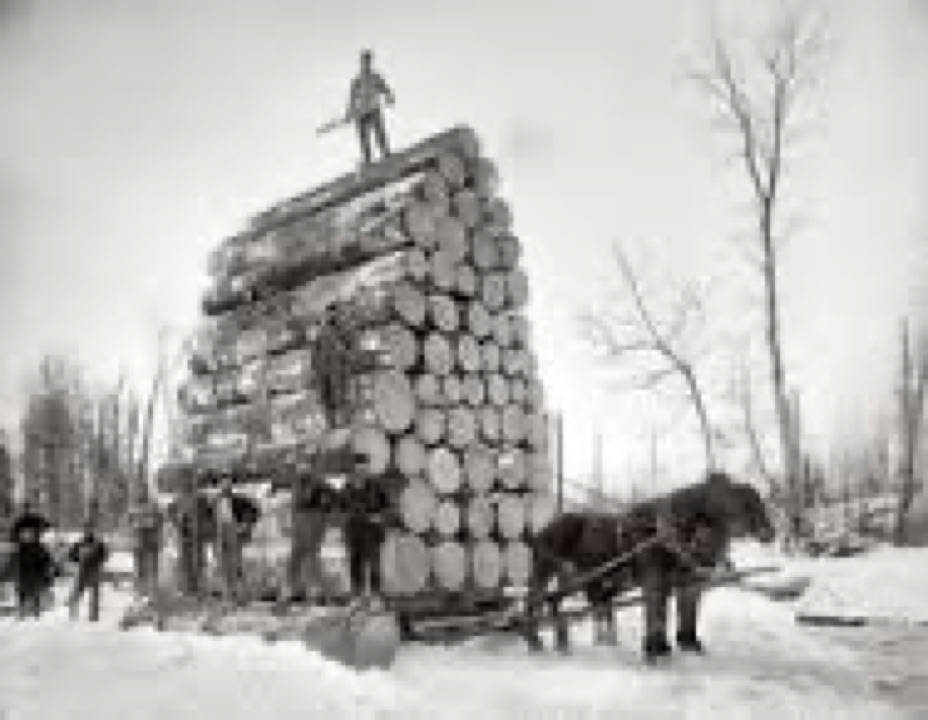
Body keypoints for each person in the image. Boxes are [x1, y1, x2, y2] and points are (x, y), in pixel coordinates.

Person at [287, 466, 340, 604]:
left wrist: (324, 510)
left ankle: (319, 592)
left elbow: (334, 499)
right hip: (300, 524)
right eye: (300, 470)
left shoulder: (320, 484)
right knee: (296, 557)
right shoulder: (297, 485)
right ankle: (294, 589)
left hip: (313, 522)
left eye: (304, 470)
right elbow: (295, 507)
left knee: (311, 557)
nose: (301, 473)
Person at [341, 473, 391, 597]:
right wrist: (345, 522)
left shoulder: (376, 487)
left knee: (374, 562)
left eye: (363, 467)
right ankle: (357, 594)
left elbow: (387, 507)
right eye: (357, 467)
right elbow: (339, 509)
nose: (360, 471)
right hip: (353, 530)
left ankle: (375, 594)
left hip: (371, 530)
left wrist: (380, 517)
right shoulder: (346, 489)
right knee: (355, 562)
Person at [346, 49, 395, 166]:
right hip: (361, 112)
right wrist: (350, 113)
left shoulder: (375, 77)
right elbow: (352, 98)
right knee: (364, 138)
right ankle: (367, 160)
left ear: (370, 62)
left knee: (380, 133)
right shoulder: (357, 81)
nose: (366, 64)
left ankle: (386, 154)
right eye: (364, 61)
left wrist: (389, 96)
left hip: (373, 109)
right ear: (361, 63)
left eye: (368, 61)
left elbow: (384, 88)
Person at [67, 521, 109, 621]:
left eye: (90, 529)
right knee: (76, 593)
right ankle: (73, 615)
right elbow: (71, 555)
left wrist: (97, 561)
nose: (87, 531)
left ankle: (93, 617)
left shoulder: (98, 543)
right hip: (82, 570)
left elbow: (104, 556)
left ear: (92, 530)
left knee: (94, 595)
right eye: (86, 529)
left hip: (94, 571)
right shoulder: (79, 543)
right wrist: (77, 559)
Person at [11, 525, 55, 619]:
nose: (27, 537)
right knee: (23, 593)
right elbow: (16, 561)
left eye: (30, 535)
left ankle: (35, 613)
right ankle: (22, 613)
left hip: (35, 574)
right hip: (24, 574)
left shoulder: (39, 548)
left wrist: (47, 573)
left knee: (35, 593)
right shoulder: (21, 548)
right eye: (26, 535)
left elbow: (47, 561)